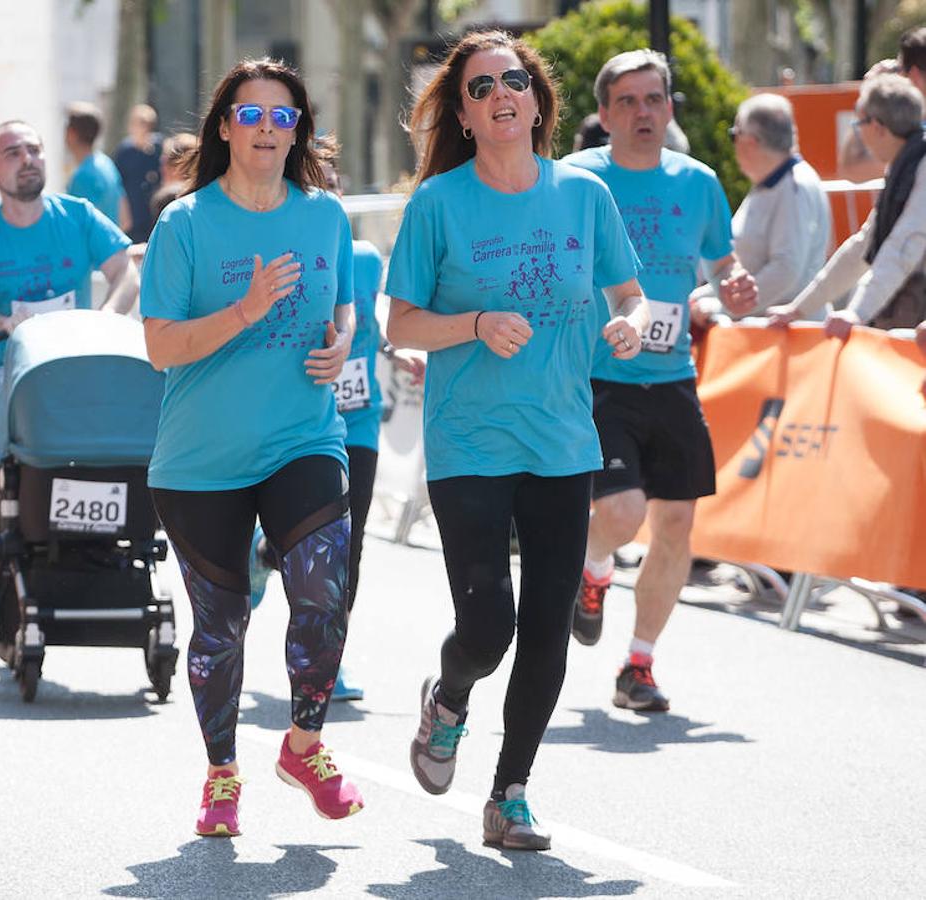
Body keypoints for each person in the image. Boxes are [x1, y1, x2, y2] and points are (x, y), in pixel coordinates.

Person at [386, 30, 648, 851]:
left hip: (564, 440)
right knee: (488, 627)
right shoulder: (437, 204)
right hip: (468, 442)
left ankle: (510, 794)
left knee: (543, 626)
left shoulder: (583, 196)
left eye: (513, 80)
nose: (499, 93)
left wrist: (631, 326)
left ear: (536, 101)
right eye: (478, 87)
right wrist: (471, 322)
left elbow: (631, 293)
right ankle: (449, 698)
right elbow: (400, 323)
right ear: (462, 115)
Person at [139, 58, 364, 839]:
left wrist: (340, 345)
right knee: (221, 624)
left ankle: (304, 744)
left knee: (323, 591)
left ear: (298, 130)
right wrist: (245, 310)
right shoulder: (186, 223)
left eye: (283, 117)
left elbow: (344, 312)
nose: (268, 129)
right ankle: (221, 775)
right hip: (201, 457)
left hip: (303, 435)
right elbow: (161, 348)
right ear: (226, 125)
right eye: (252, 114)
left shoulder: (324, 215)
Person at [562, 49, 757, 713]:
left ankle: (637, 665)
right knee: (622, 511)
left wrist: (733, 284)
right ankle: (591, 568)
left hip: (672, 375)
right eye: (627, 101)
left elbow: (722, 263)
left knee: (675, 525)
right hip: (597, 374)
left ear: (668, 109)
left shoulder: (698, 182)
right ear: (604, 114)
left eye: (653, 100)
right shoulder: (576, 179)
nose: (642, 112)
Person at [249, 163, 426, 704]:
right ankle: (265, 555)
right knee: (297, 537)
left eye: (333, 185)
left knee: (347, 544)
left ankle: (327, 661)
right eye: (312, 185)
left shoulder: (366, 258)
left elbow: (372, 320)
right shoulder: (278, 261)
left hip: (359, 420)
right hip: (299, 421)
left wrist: (402, 354)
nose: (326, 195)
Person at [0, 120, 139, 423]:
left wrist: (107, 317)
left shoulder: (79, 215)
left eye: (34, 150)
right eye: (13, 153)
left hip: (75, 368)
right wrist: (5, 324)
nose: (27, 160)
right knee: (15, 468)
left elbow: (125, 271)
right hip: (1, 374)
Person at [769, 75, 926, 335]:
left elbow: (904, 246)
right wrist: (798, 310)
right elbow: (863, 245)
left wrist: (857, 313)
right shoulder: (905, 166)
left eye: (858, 124)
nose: (858, 133)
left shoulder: (917, 166)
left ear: (876, 126)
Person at [690, 93, 830, 318]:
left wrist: (723, 307)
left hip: (785, 336)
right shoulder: (773, 183)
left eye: (734, 134)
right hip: (766, 332)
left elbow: (785, 270)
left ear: (750, 141)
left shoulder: (794, 187)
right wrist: (704, 297)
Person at [65, 102, 131, 231]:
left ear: (72, 133)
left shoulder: (82, 177)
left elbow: (76, 227)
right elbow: (125, 219)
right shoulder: (106, 163)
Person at [112, 103, 163, 243]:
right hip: (133, 211)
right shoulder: (124, 151)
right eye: (137, 123)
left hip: (153, 212)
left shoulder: (159, 148)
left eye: (146, 124)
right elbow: (118, 185)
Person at [150, 131, 198, 226]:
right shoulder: (207, 197)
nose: (161, 168)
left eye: (164, 161)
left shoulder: (169, 202)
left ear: (179, 165)